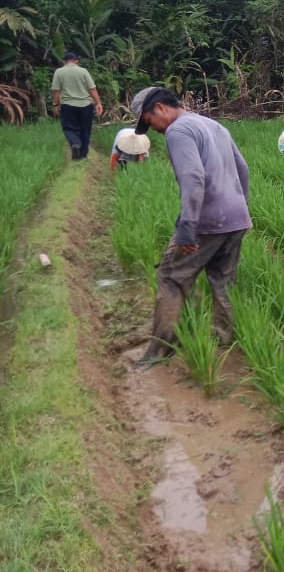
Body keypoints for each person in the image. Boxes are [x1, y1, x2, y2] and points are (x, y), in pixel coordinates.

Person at [130, 86, 252, 368]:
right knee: (223, 281)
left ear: (159, 108)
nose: (154, 130)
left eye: (149, 121)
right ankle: (225, 341)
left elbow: (194, 177)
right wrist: (240, 210)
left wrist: (187, 225)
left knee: (171, 276)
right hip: (235, 219)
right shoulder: (213, 124)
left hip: (206, 221)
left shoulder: (178, 131)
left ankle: (161, 350)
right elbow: (242, 168)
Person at [51, 51, 103, 159]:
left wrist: (56, 105)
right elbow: (92, 89)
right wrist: (98, 103)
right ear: (76, 61)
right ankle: (83, 155)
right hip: (86, 106)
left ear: (64, 62)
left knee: (69, 128)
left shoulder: (59, 72)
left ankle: (75, 143)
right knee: (86, 130)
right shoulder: (83, 71)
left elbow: (56, 91)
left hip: (68, 105)